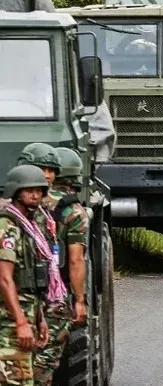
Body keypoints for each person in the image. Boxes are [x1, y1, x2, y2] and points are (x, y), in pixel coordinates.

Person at [32, 146, 90, 385]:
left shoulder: (12, 203)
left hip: (16, 291)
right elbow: (76, 259)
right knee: (46, 358)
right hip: (53, 293)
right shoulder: (73, 210)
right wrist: (79, 300)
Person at [0, 165, 55, 384]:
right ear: (16, 192)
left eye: (39, 190)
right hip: (9, 321)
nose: (35, 195)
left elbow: (31, 281)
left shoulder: (29, 226)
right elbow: (4, 278)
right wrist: (21, 322)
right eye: (29, 190)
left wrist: (39, 319)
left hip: (25, 314)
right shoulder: (8, 226)